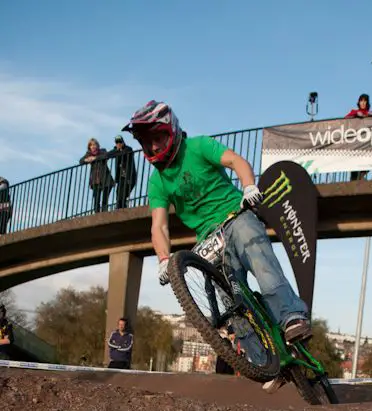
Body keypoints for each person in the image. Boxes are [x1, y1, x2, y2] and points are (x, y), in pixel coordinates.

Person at [121, 101, 311, 343]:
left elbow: (236, 161)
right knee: (230, 304)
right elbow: (159, 226)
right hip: (209, 239)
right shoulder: (157, 182)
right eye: (146, 142)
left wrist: (249, 186)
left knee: (261, 263)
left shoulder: (198, 146)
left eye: (157, 137)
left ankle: (291, 316)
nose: (153, 146)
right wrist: (163, 259)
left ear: (171, 130)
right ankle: (261, 359)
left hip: (235, 216)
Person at [345, 95, 372, 181]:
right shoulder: (354, 111)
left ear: (367, 102)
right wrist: (355, 114)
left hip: (367, 142)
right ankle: (355, 180)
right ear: (358, 102)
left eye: (365, 101)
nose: (363, 102)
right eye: (361, 101)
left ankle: (361, 177)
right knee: (354, 166)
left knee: (368, 162)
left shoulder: (370, 113)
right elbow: (345, 119)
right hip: (356, 142)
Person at [79, 138, 115, 213]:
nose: (93, 146)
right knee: (96, 199)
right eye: (91, 145)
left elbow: (106, 156)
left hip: (106, 178)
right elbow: (81, 161)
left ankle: (104, 213)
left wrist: (94, 158)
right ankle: (97, 214)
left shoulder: (102, 151)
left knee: (105, 198)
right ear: (89, 147)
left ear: (97, 145)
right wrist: (86, 160)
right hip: (95, 180)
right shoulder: (88, 154)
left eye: (94, 144)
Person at [106, 135, 137, 209]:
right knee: (119, 195)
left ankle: (122, 209)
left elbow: (122, 154)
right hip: (121, 178)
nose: (118, 144)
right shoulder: (115, 150)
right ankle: (121, 209)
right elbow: (108, 155)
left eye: (120, 142)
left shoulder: (128, 149)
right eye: (117, 142)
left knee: (123, 195)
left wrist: (117, 151)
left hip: (129, 177)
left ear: (123, 142)